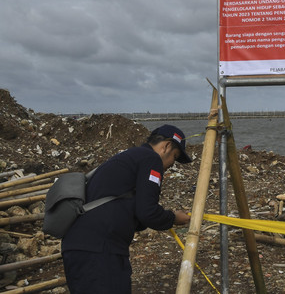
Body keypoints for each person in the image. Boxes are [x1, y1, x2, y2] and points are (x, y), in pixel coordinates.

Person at [61, 124, 193, 293]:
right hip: (100, 250)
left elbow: (134, 213)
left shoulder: (129, 158)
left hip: (77, 247)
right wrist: (174, 218)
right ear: (166, 146)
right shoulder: (151, 159)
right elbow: (148, 212)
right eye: (174, 157)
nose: (171, 165)